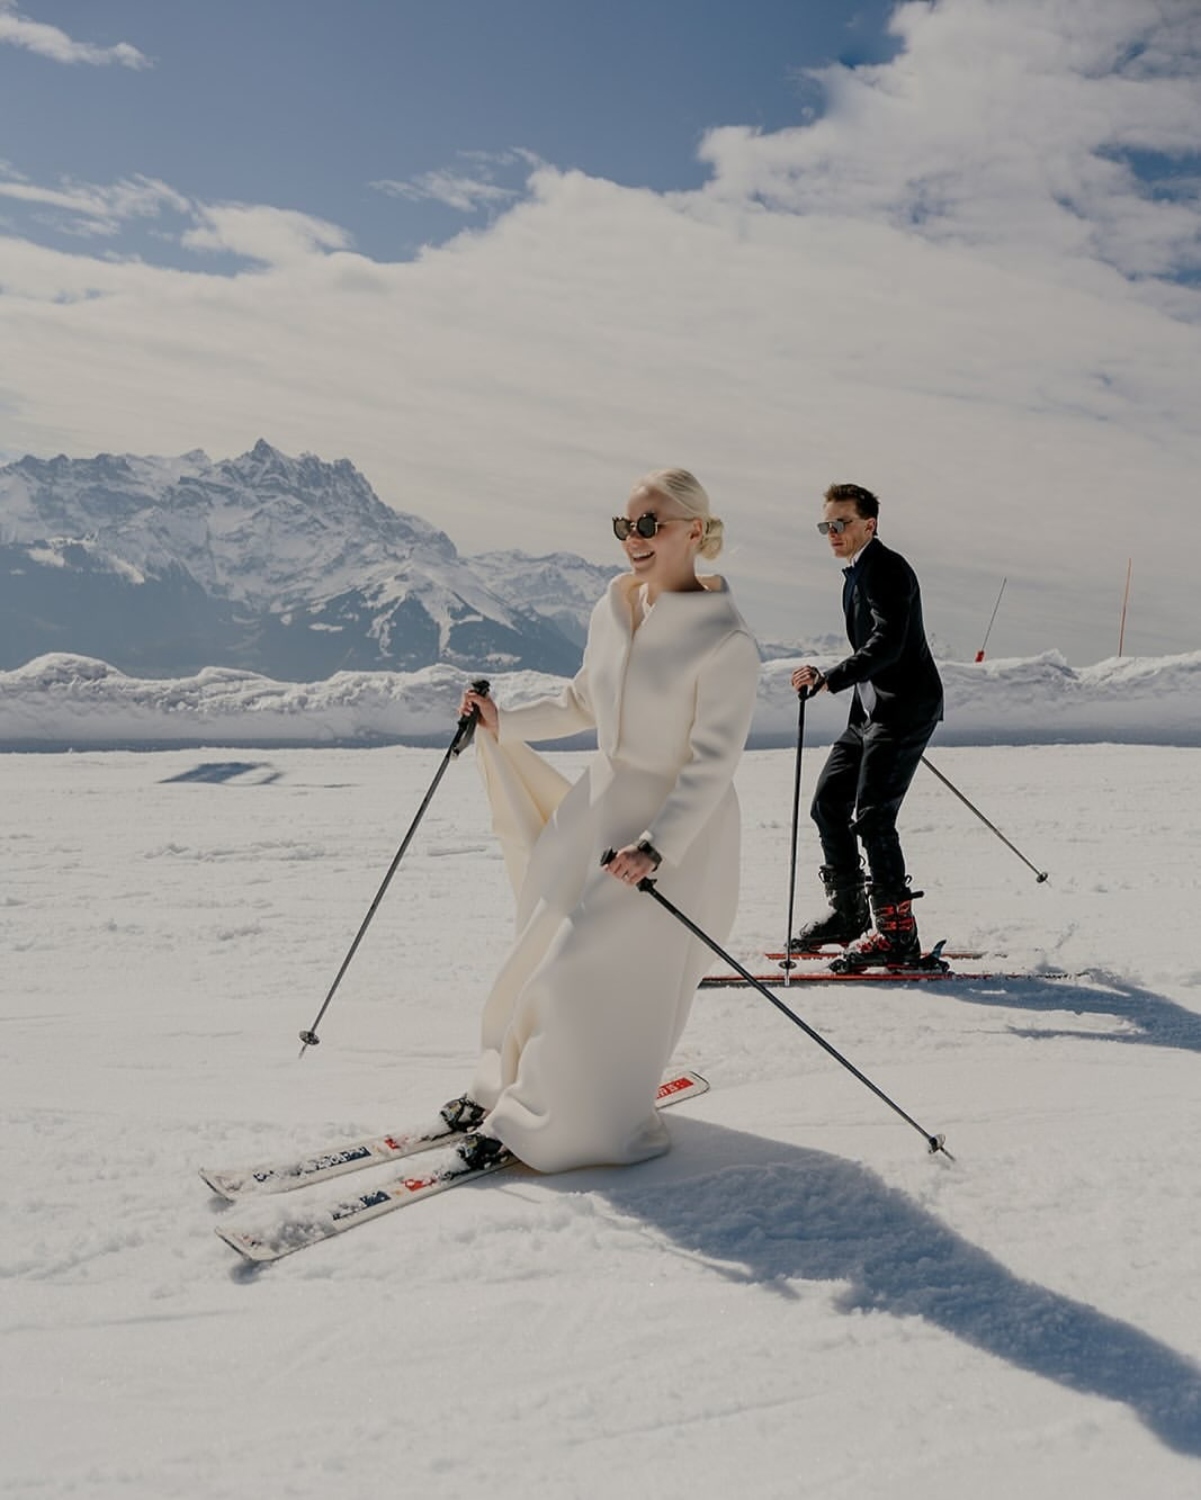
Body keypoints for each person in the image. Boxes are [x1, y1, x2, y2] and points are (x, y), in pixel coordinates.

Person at [449, 468, 760, 1173]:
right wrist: (506, 722)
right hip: (597, 809)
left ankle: (554, 1121)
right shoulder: (614, 607)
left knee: (585, 964)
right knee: (539, 943)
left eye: (648, 525)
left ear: (691, 529)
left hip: (671, 832)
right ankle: (508, 1082)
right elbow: (583, 702)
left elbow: (713, 763)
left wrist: (659, 844)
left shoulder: (725, 641)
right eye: (625, 526)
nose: (633, 540)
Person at [790, 482, 943, 966]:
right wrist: (832, 678)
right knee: (828, 804)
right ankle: (849, 913)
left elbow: (889, 642)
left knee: (874, 816)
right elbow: (873, 650)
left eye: (841, 523)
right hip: (869, 712)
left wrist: (831, 679)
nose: (832, 532)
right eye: (826, 525)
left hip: (905, 709)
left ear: (869, 525)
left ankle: (897, 935)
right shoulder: (857, 573)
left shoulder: (888, 570)